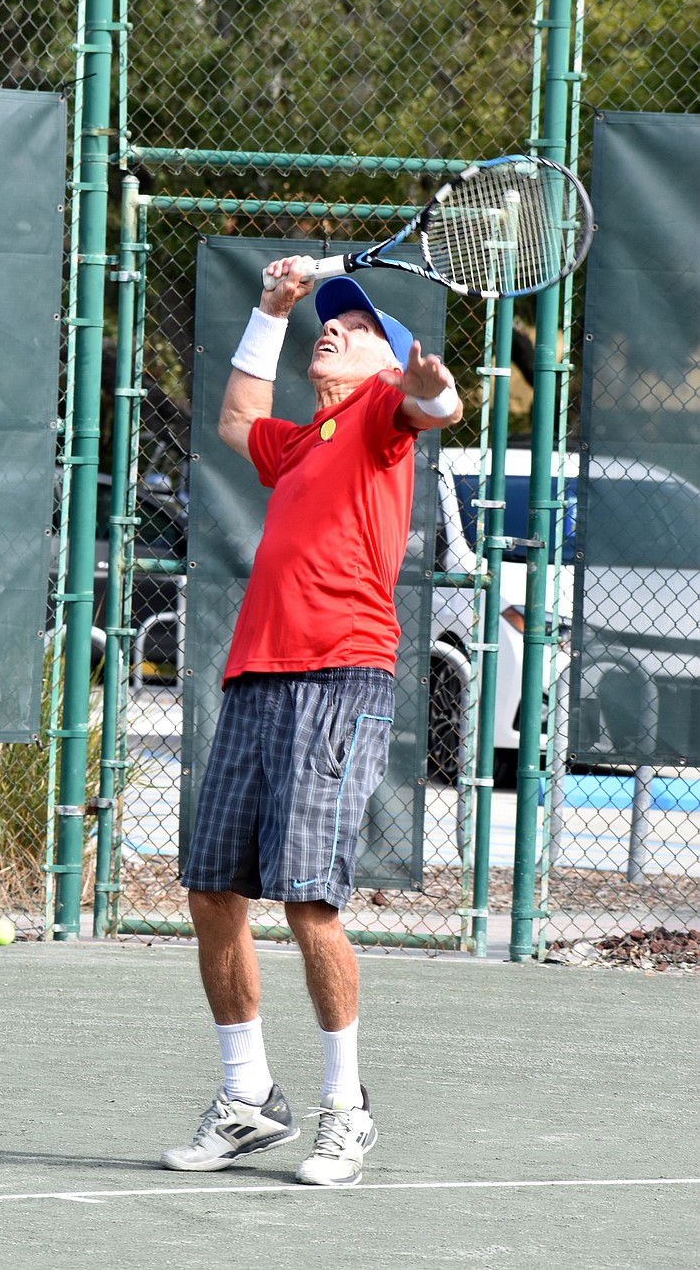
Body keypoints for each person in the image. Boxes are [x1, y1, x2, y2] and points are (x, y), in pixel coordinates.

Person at [161, 256, 462, 1187]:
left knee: (308, 900)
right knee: (213, 890)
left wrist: (432, 388)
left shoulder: (378, 417)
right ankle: (249, 1100)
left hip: (341, 677)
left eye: (355, 326)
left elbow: (436, 409)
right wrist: (269, 309)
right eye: (327, 323)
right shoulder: (304, 441)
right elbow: (236, 421)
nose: (330, 329)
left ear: (386, 362)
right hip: (255, 676)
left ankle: (347, 1107)